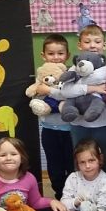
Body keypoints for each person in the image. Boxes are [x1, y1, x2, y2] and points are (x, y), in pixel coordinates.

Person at [51, 25, 106, 175]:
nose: (92, 45)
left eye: (97, 41)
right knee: (80, 162)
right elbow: (66, 91)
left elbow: (103, 77)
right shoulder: (75, 68)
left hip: (104, 123)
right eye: (87, 42)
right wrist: (92, 88)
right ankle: (81, 195)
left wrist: (79, 84)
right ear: (80, 45)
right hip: (79, 124)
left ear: (104, 45)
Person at [36, 34, 75, 197]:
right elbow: (36, 98)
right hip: (49, 129)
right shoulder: (40, 77)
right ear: (43, 56)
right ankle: (59, 193)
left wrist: (51, 92)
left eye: (60, 53)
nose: (56, 57)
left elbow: (72, 95)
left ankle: (74, 195)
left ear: (67, 55)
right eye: (51, 54)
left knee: (72, 164)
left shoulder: (72, 76)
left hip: (70, 130)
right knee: (54, 166)